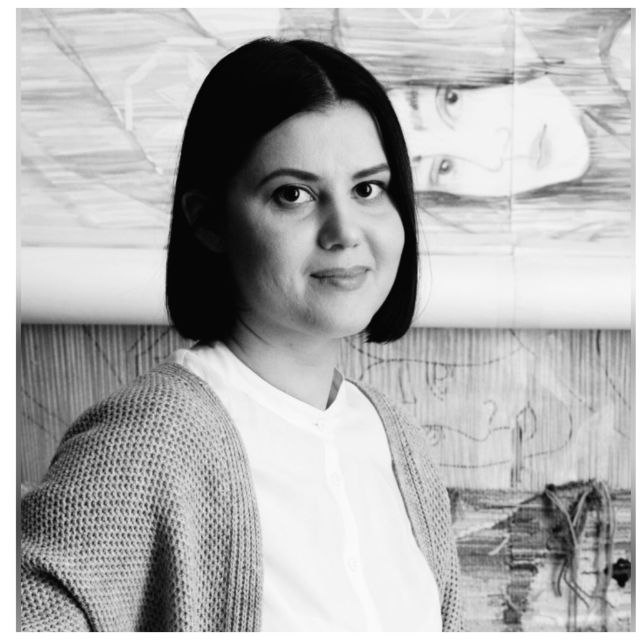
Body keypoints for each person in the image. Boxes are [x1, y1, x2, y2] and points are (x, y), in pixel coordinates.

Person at [21, 38, 462, 631]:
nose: (344, 231)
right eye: (293, 194)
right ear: (208, 221)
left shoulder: (398, 440)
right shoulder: (148, 441)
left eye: (367, 189)